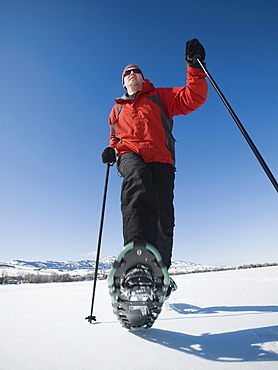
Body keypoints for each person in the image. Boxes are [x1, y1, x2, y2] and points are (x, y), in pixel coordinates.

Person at [102, 39, 208, 270]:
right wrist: (112, 150)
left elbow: (193, 98)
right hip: (130, 155)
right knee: (137, 184)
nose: (131, 74)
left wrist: (195, 68)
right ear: (123, 82)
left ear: (142, 77)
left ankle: (160, 273)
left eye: (136, 71)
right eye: (127, 73)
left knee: (163, 217)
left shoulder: (160, 96)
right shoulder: (116, 110)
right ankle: (137, 260)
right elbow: (114, 138)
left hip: (161, 159)